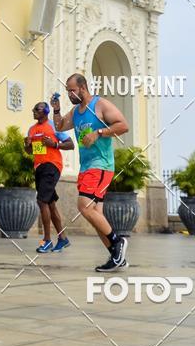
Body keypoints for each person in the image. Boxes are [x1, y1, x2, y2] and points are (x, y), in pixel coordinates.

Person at [52, 73, 129, 271]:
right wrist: (57, 110)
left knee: (84, 206)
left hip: (101, 165)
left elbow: (123, 125)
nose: (69, 93)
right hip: (86, 167)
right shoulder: (76, 112)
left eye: (72, 90)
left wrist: (99, 132)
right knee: (96, 216)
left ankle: (117, 242)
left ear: (83, 88)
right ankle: (117, 257)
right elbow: (60, 126)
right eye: (67, 90)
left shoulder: (100, 105)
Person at [24, 102, 74, 253]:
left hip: (52, 166)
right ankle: (63, 239)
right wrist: (26, 145)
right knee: (50, 204)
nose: (33, 111)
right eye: (33, 109)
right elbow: (31, 151)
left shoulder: (54, 126)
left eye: (37, 109)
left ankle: (46, 241)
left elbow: (70, 144)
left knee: (41, 201)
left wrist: (54, 144)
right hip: (39, 167)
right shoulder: (32, 129)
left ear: (45, 112)